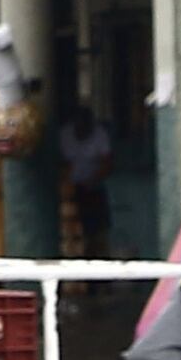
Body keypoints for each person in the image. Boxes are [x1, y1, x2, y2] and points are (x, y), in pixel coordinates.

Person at [58, 104, 116, 259]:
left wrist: (93, 180)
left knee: (97, 230)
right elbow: (62, 163)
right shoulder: (66, 135)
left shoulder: (99, 134)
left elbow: (107, 162)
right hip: (72, 188)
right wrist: (66, 183)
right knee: (72, 229)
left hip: (93, 187)